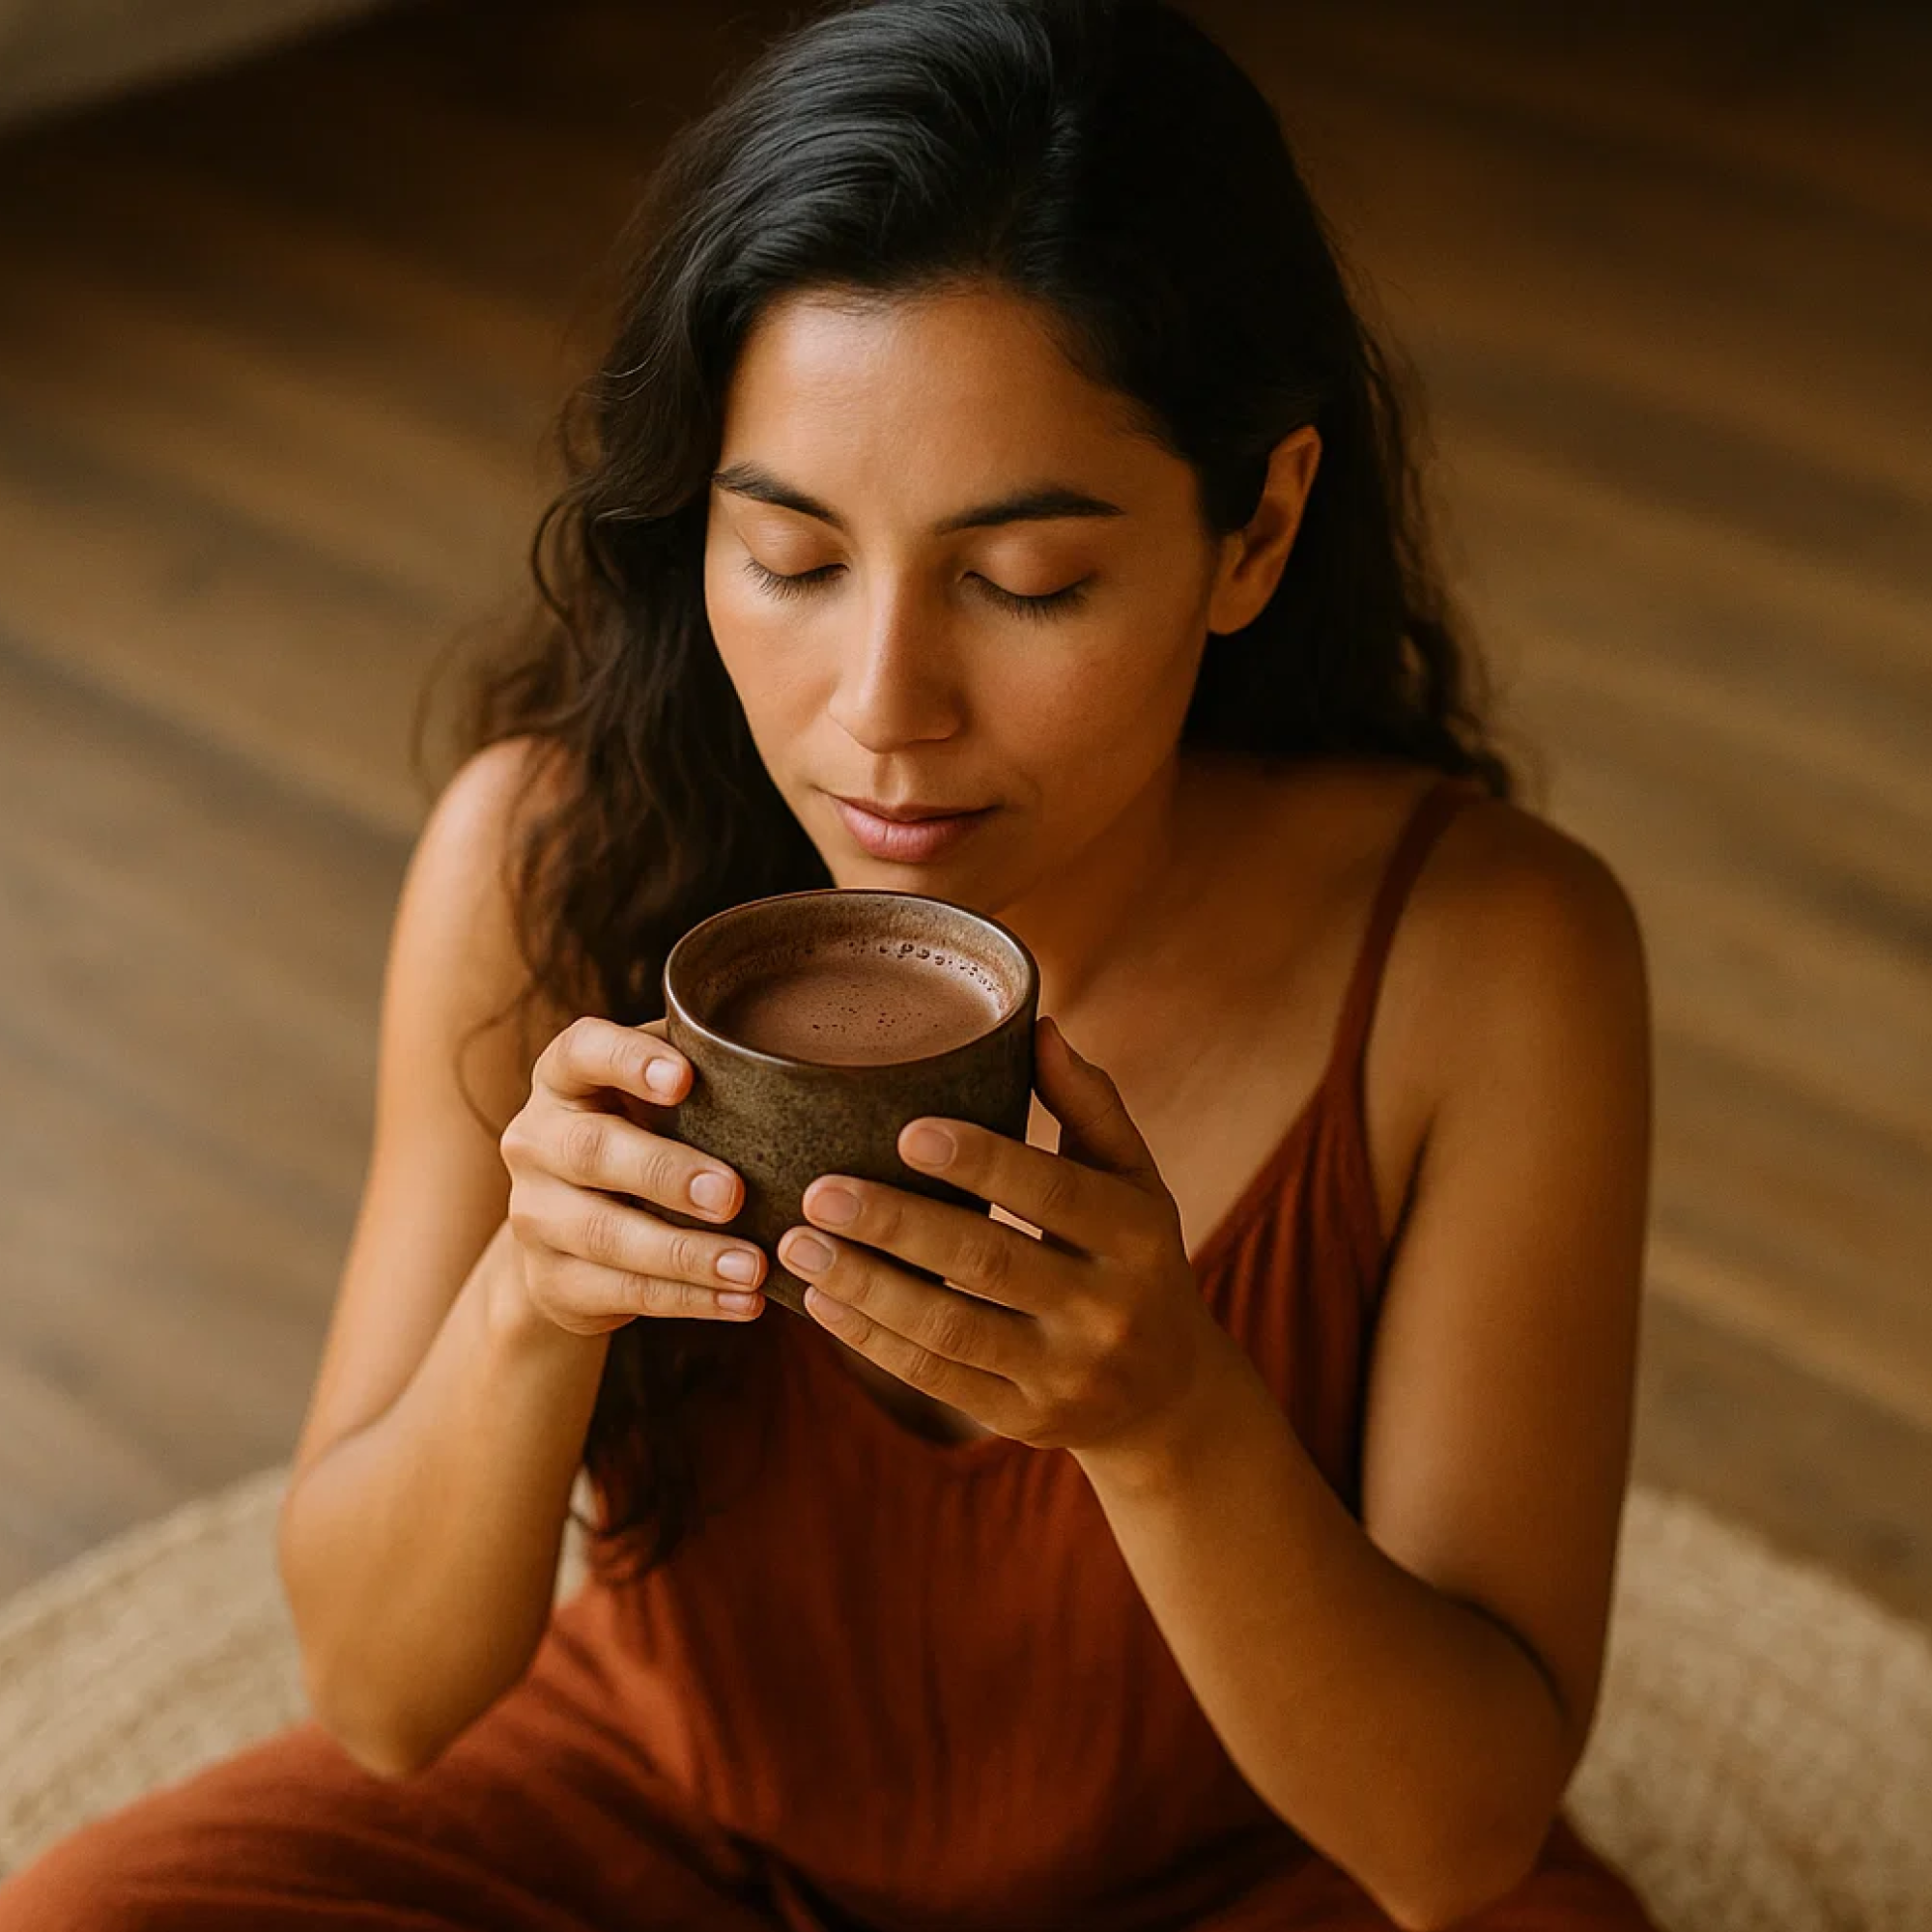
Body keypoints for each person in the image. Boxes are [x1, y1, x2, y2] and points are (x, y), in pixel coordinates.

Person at [0, 0, 1662, 1926]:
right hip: (659, 1830)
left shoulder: (1485, 958)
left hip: (1244, 1882)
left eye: (1022, 582)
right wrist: (532, 1309)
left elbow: (1452, 1841)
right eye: (789, 558)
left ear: (1254, 528)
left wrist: (1169, 1418)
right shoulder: (545, 862)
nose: (880, 714)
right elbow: (378, 1700)